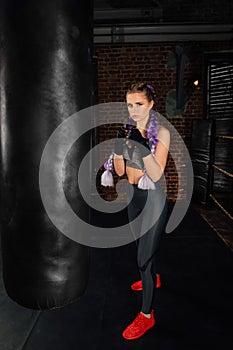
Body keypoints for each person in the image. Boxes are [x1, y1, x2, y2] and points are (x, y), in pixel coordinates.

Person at [113, 82, 170, 340]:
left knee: (142, 259)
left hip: (154, 198)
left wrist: (142, 146)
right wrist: (117, 151)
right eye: (129, 104)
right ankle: (153, 278)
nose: (133, 110)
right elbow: (122, 173)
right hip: (134, 196)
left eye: (138, 104)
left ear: (150, 104)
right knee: (140, 246)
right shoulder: (128, 131)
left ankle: (147, 316)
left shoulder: (163, 133)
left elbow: (157, 174)